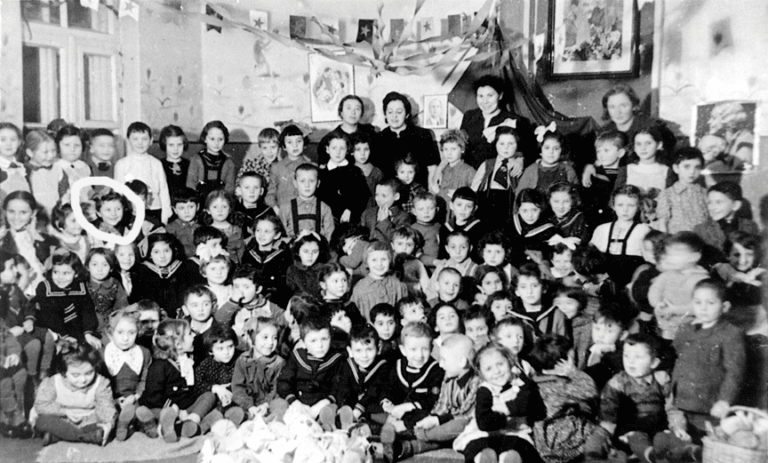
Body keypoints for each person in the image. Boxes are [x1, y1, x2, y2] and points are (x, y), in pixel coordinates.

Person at [662, 279, 746, 457]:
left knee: (708, 446)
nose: (703, 308)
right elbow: (677, 358)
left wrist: (725, 400)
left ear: (724, 306)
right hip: (682, 400)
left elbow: (735, 371)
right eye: (698, 302)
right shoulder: (685, 329)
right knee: (678, 440)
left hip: (709, 404)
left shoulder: (731, 333)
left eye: (710, 303)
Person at [453, 343, 546, 463]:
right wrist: (507, 416)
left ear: (510, 362)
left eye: (500, 364)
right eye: (489, 369)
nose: (497, 371)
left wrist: (505, 408)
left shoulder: (521, 384)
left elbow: (530, 405)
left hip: (515, 433)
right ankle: (483, 458)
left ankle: (510, 458)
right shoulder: (485, 390)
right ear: (481, 373)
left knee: (519, 448)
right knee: (477, 447)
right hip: (485, 434)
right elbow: (484, 422)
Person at [585, 333, 669, 463]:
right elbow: (608, 417)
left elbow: (671, 407)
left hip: (657, 429)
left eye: (638, 357)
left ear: (654, 362)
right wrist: (600, 438)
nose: (630, 361)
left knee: (667, 440)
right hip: (629, 432)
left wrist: (678, 426)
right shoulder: (617, 383)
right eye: (626, 356)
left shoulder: (661, 380)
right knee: (598, 442)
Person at [138, 319, 217, 442]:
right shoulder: (159, 366)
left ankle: (191, 420)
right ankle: (165, 425)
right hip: (163, 407)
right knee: (155, 412)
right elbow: (153, 397)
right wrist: (177, 411)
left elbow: (193, 389)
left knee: (209, 396)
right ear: (179, 344)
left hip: (186, 407)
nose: (193, 336)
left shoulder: (189, 360)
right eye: (189, 334)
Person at [582, 84, 676, 185]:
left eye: (623, 106)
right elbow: (599, 159)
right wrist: (590, 167)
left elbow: (666, 161)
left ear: (634, 106)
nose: (617, 112)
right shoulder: (605, 131)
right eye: (612, 107)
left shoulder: (651, 126)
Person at [380, 321, 445, 462]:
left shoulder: (436, 370)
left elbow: (433, 400)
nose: (419, 355)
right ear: (403, 350)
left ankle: (395, 434)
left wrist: (408, 406)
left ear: (431, 348)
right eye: (413, 349)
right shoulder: (397, 366)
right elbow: (389, 388)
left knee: (425, 419)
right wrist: (387, 401)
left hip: (421, 412)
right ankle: (389, 434)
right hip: (397, 411)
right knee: (376, 411)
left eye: (425, 349)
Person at [528, 335, 599, 463]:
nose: (575, 362)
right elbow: (590, 390)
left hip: (545, 442)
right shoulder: (560, 384)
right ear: (561, 363)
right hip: (565, 439)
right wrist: (573, 372)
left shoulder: (539, 380)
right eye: (572, 359)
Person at [34, 341, 115, 446]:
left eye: (89, 373)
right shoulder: (53, 382)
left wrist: (108, 424)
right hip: (63, 421)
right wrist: (64, 411)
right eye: (76, 375)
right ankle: (86, 437)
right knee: (41, 421)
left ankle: (57, 436)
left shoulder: (101, 383)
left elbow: (106, 407)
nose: (83, 380)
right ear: (63, 372)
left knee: (111, 421)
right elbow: (41, 405)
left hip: (89, 421)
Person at [274, 313, 344, 430]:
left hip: (323, 403)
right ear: (303, 342)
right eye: (313, 341)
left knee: (330, 412)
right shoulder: (297, 357)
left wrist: (323, 404)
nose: (320, 345)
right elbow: (284, 382)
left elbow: (340, 387)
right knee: (279, 405)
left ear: (331, 338)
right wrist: (294, 402)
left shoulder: (337, 359)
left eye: (324, 339)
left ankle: (325, 428)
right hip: (298, 403)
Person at [460, 74, 536, 170]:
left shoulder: (514, 120)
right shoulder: (469, 116)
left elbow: (530, 152)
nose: (485, 101)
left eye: (490, 96)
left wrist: (520, 159)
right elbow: (459, 145)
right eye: (480, 96)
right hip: (469, 172)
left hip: (497, 173)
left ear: (500, 96)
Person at [100, 309, 152, 441]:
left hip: (134, 398)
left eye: (131, 333)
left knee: (140, 411)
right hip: (110, 399)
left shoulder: (144, 352)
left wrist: (135, 396)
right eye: (120, 332)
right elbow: (99, 383)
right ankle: (122, 425)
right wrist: (114, 400)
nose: (125, 338)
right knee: (108, 413)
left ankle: (144, 424)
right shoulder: (103, 353)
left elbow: (144, 379)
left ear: (138, 332)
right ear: (111, 332)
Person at [589, 185, 650, 287]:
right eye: (620, 205)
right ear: (613, 206)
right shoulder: (602, 229)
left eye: (631, 205)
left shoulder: (643, 230)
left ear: (639, 206)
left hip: (631, 285)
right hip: (604, 286)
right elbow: (590, 260)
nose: (625, 210)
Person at [377, 92, 440, 186]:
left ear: (407, 114)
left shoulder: (423, 135)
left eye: (399, 112)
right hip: (390, 191)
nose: (394, 116)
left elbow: (432, 169)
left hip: (419, 190)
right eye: (390, 112)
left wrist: (431, 191)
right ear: (385, 114)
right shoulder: (379, 138)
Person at [333, 324, 389, 430]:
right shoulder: (347, 365)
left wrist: (358, 410)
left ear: (378, 348)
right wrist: (344, 407)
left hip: (371, 407)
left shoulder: (383, 366)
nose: (364, 355)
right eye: (358, 350)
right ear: (350, 351)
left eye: (369, 349)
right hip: (353, 407)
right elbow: (344, 389)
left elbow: (374, 391)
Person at [114, 122, 172, 223]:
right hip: (132, 210)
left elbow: (163, 189)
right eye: (135, 139)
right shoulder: (122, 164)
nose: (140, 143)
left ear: (151, 141)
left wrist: (166, 213)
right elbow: (118, 191)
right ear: (128, 140)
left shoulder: (156, 163)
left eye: (144, 139)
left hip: (154, 209)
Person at [231, 316, 285, 420]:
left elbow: (276, 389)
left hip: (269, 404)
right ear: (252, 338)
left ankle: (268, 420)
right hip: (248, 405)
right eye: (265, 337)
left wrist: (266, 405)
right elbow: (238, 388)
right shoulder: (243, 360)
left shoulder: (278, 362)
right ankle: (247, 419)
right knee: (234, 409)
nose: (271, 342)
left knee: (281, 404)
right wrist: (250, 406)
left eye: (274, 338)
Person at [471, 127, 523, 231]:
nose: (506, 148)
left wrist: (520, 159)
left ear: (517, 145)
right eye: (501, 144)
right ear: (495, 144)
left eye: (511, 144)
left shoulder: (518, 166)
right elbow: (473, 189)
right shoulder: (487, 164)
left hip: (508, 215)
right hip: (485, 213)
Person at [193, 325, 245, 425]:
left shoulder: (240, 359)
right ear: (211, 351)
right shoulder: (206, 365)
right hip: (214, 404)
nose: (227, 352)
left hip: (235, 400)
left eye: (230, 346)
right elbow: (196, 385)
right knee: (211, 410)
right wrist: (215, 388)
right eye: (220, 349)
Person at [130, 233, 192, 315]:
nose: (162, 256)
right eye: (156, 252)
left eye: (166, 251)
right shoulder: (141, 273)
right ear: (149, 254)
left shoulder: (184, 269)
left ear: (173, 250)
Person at [317, 132, 370, 224]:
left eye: (342, 148)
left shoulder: (355, 171)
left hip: (351, 220)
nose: (338, 152)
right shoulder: (321, 174)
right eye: (334, 148)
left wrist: (350, 209)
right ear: (327, 149)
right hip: (326, 221)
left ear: (347, 150)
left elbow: (362, 196)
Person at [694, 181, 759, 256]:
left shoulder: (750, 226)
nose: (712, 207)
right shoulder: (701, 230)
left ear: (735, 205)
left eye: (718, 202)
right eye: (709, 202)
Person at [351, 241, 409, 321]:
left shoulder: (398, 285)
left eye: (383, 259)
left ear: (390, 260)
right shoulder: (360, 287)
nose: (379, 264)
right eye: (374, 260)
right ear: (367, 262)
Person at [316, 95, 379, 167]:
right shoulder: (329, 139)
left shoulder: (370, 133)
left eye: (357, 109)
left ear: (361, 113)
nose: (353, 112)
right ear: (341, 112)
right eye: (348, 108)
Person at [241, 215, 291, 306]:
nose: (261, 234)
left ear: (277, 235)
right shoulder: (248, 254)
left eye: (267, 231)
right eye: (258, 230)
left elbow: (284, 286)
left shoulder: (283, 256)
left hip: (275, 302)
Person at [655, 148, 708, 233]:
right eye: (687, 167)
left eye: (697, 167)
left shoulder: (705, 193)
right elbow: (662, 223)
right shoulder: (667, 194)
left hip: (701, 239)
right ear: (676, 168)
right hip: (677, 239)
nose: (692, 171)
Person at [279, 163, 335, 242]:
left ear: (318, 183)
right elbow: (280, 236)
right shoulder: (286, 208)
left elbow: (330, 238)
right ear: (295, 183)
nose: (307, 185)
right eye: (302, 181)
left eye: (311, 181)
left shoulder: (325, 208)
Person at [516, 128, 578, 196]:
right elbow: (520, 196)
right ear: (540, 150)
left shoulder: (568, 170)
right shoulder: (531, 170)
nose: (551, 152)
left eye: (556, 148)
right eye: (547, 148)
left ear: (561, 150)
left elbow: (576, 196)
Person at [265, 124, 313, 211]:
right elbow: (270, 194)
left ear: (304, 143)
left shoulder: (312, 167)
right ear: (284, 146)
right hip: (283, 212)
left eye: (299, 141)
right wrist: (276, 209)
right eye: (289, 142)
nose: (295, 145)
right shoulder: (276, 167)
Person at [613, 126, 672, 196]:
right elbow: (616, 197)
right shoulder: (626, 170)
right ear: (634, 147)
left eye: (648, 143)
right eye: (638, 144)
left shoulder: (666, 171)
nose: (643, 148)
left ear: (659, 145)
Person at [186, 120, 236, 200]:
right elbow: (190, 185)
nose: (216, 143)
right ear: (205, 139)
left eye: (220, 139)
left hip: (220, 203)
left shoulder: (228, 163)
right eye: (212, 139)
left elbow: (229, 189)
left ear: (225, 140)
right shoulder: (196, 159)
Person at [25, 129, 69, 217]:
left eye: (53, 151)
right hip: (35, 216)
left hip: (56, 214)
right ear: (30, 152)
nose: (51, 155)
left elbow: (64, 192)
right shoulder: (25, 171)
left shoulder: (58, 170)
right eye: (45, 152)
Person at [85, 248, 129, 335]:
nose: (99, 269)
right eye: (94, 264)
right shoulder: (82, 284)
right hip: (87, 330)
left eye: (105, 265)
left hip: (110, 328)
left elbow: (122, 307)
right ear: (87, 267)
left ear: (111, 268)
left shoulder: (115, 283)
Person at [431, 130, 476, 207]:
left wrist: (458, 194)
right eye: (446, 149)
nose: (449, 153)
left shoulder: (469, 170)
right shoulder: (442, 170)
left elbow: (474, 195)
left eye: (453, 149)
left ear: (462, 149)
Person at [360, 178, 411, 243]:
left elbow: (398, 240)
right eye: (376, 195)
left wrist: (384, 221)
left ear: (396, 196)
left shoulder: (403, 216)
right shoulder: (367, 213)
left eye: (384, 196)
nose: (379, 199)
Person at [286, 232, 328, 299]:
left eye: (315, 252)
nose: (310, 255)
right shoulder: (292, 270)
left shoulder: (324, 268)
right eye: (305, 251)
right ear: (298, 252)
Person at [55, 125, 91, 202]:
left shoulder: (84, 166)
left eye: (77, 145)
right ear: (58, 146)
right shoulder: (56, 166)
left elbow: (88, 189)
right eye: (67, 145)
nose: (72, 149)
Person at [234, 172, 273, 236]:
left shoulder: (267, 212)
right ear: (239, 190)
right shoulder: (233, 212)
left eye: (256, 187)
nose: (251, 191)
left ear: (261, 191)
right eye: (247, 187)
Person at [351, 132, 384, 208]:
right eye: (358, 149)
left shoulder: (377, 172)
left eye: (366, 149)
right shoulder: (348, 171)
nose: (362, 153)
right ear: (352, 152)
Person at [166, 187, 201, 258]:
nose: (186, 212)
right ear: (175, 210)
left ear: (197, 207)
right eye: (182, 208)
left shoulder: (200, 227)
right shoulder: (171, 228)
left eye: (191, 207)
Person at [159, 125, 190, 199]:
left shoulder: (190, 164)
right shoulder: (158, 165)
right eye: (171, 145)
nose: (176, 149)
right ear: (164, 145)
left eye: (179, 144)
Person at [0, 122, 30, 198]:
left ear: (19, 142)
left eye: (13, 140)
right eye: (3, 140)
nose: (8, 144)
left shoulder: (25, 169)